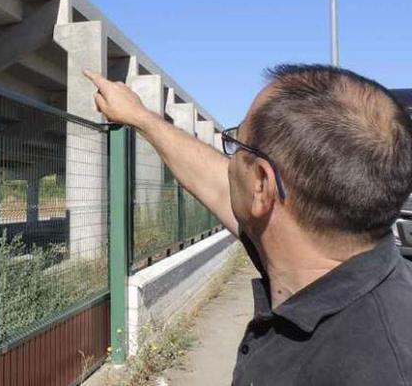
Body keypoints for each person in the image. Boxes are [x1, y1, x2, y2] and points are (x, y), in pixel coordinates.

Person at [84, 64, 412, 386]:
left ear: (260, 185)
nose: (228, 165)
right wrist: (139, 116)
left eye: (236, 146)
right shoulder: (354, 267)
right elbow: (216, 184)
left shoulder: (372, 369)